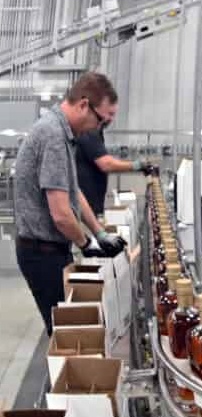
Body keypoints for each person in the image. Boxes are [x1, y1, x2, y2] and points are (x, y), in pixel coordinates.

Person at [14, 72, 127, 334]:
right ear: (84, 105)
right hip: (41, 253)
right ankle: (64, 375)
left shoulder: (64, 134)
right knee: (64, 333)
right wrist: (87, 244)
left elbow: (73, 190)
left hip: (52, 248)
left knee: (67, 327)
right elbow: (62, 215)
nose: (99, 128)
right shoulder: (52, 135)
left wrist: (99, 232)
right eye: (101, 120)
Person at [76, 105, 157, 219]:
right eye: (109, 114)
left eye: (113, 115)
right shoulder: (89, 132)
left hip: (91, 204)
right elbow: (106, 164)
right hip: (85, 206)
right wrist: (136, 165)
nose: (111, 119)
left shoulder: (96, 132)